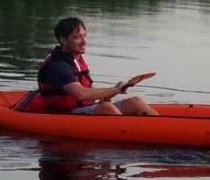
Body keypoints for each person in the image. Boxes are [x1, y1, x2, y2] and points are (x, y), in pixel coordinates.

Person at [28, 17, 158, 115]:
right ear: (63, 40)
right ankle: (133, 136)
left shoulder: (77, 60)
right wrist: (115, 90)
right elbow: (81, 94)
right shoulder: (58, 66)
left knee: (135, 102)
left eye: (85, 36)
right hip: (64, 114)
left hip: (82, 108)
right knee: (106, 108)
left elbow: (89, 90)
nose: (84, 41)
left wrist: (109, 93)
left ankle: (161, 130)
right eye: (78, 37)